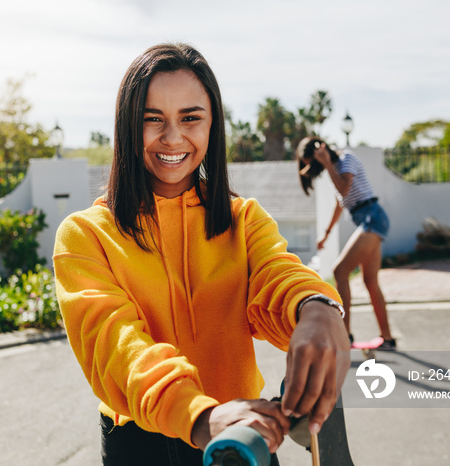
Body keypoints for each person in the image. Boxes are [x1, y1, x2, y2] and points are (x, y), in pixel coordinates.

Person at [53, 43, 350, 465]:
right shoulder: (84, 235)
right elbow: (115, 347)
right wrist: (200, 416)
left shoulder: (244, 220)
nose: (172, 137)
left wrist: (317, 307)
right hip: (142, 444)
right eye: (151, 119)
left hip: (243, 436)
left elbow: (279, 276)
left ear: (213, 126)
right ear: (125, 126)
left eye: (190, 118)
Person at [296, 137, 395, 350]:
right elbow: (340, 204)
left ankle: (343, 337)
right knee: (370, 280)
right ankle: (387, 339)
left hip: (372, 217)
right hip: (369, 218)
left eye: (314, 162)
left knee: (340, 271)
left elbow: (343, 190)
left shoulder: (345, 159)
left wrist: (328, 164)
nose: (316, 167)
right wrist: (326, 233)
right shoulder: (336, 168)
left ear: (321, 149)